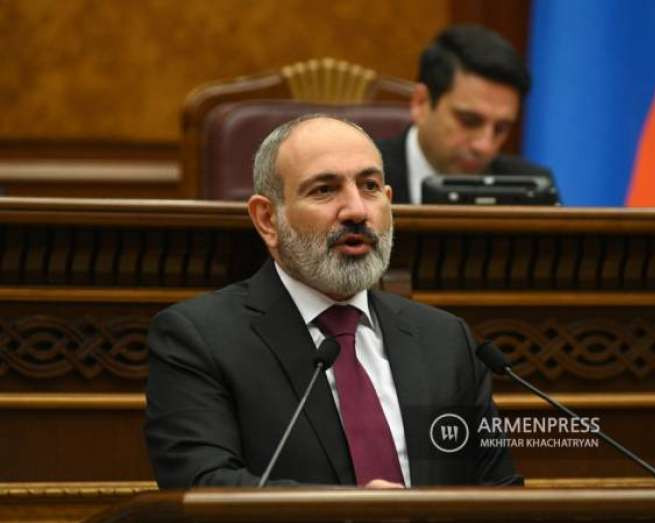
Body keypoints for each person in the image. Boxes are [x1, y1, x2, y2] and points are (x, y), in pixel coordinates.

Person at [144, 114, 520, 488]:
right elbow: (200, 484)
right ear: (268, 220)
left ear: (389, 202)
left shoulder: (445, 340)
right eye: (324, 190)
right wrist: (352, 510)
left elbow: (499, 490)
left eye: (370, 186)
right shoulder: (199, 339)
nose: (357, 210)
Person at [377, 24, 554, 204]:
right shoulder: (365, 176)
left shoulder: (533, 191)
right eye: (469, 121)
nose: (484, 147)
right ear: (421, 103)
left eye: (501, 128)